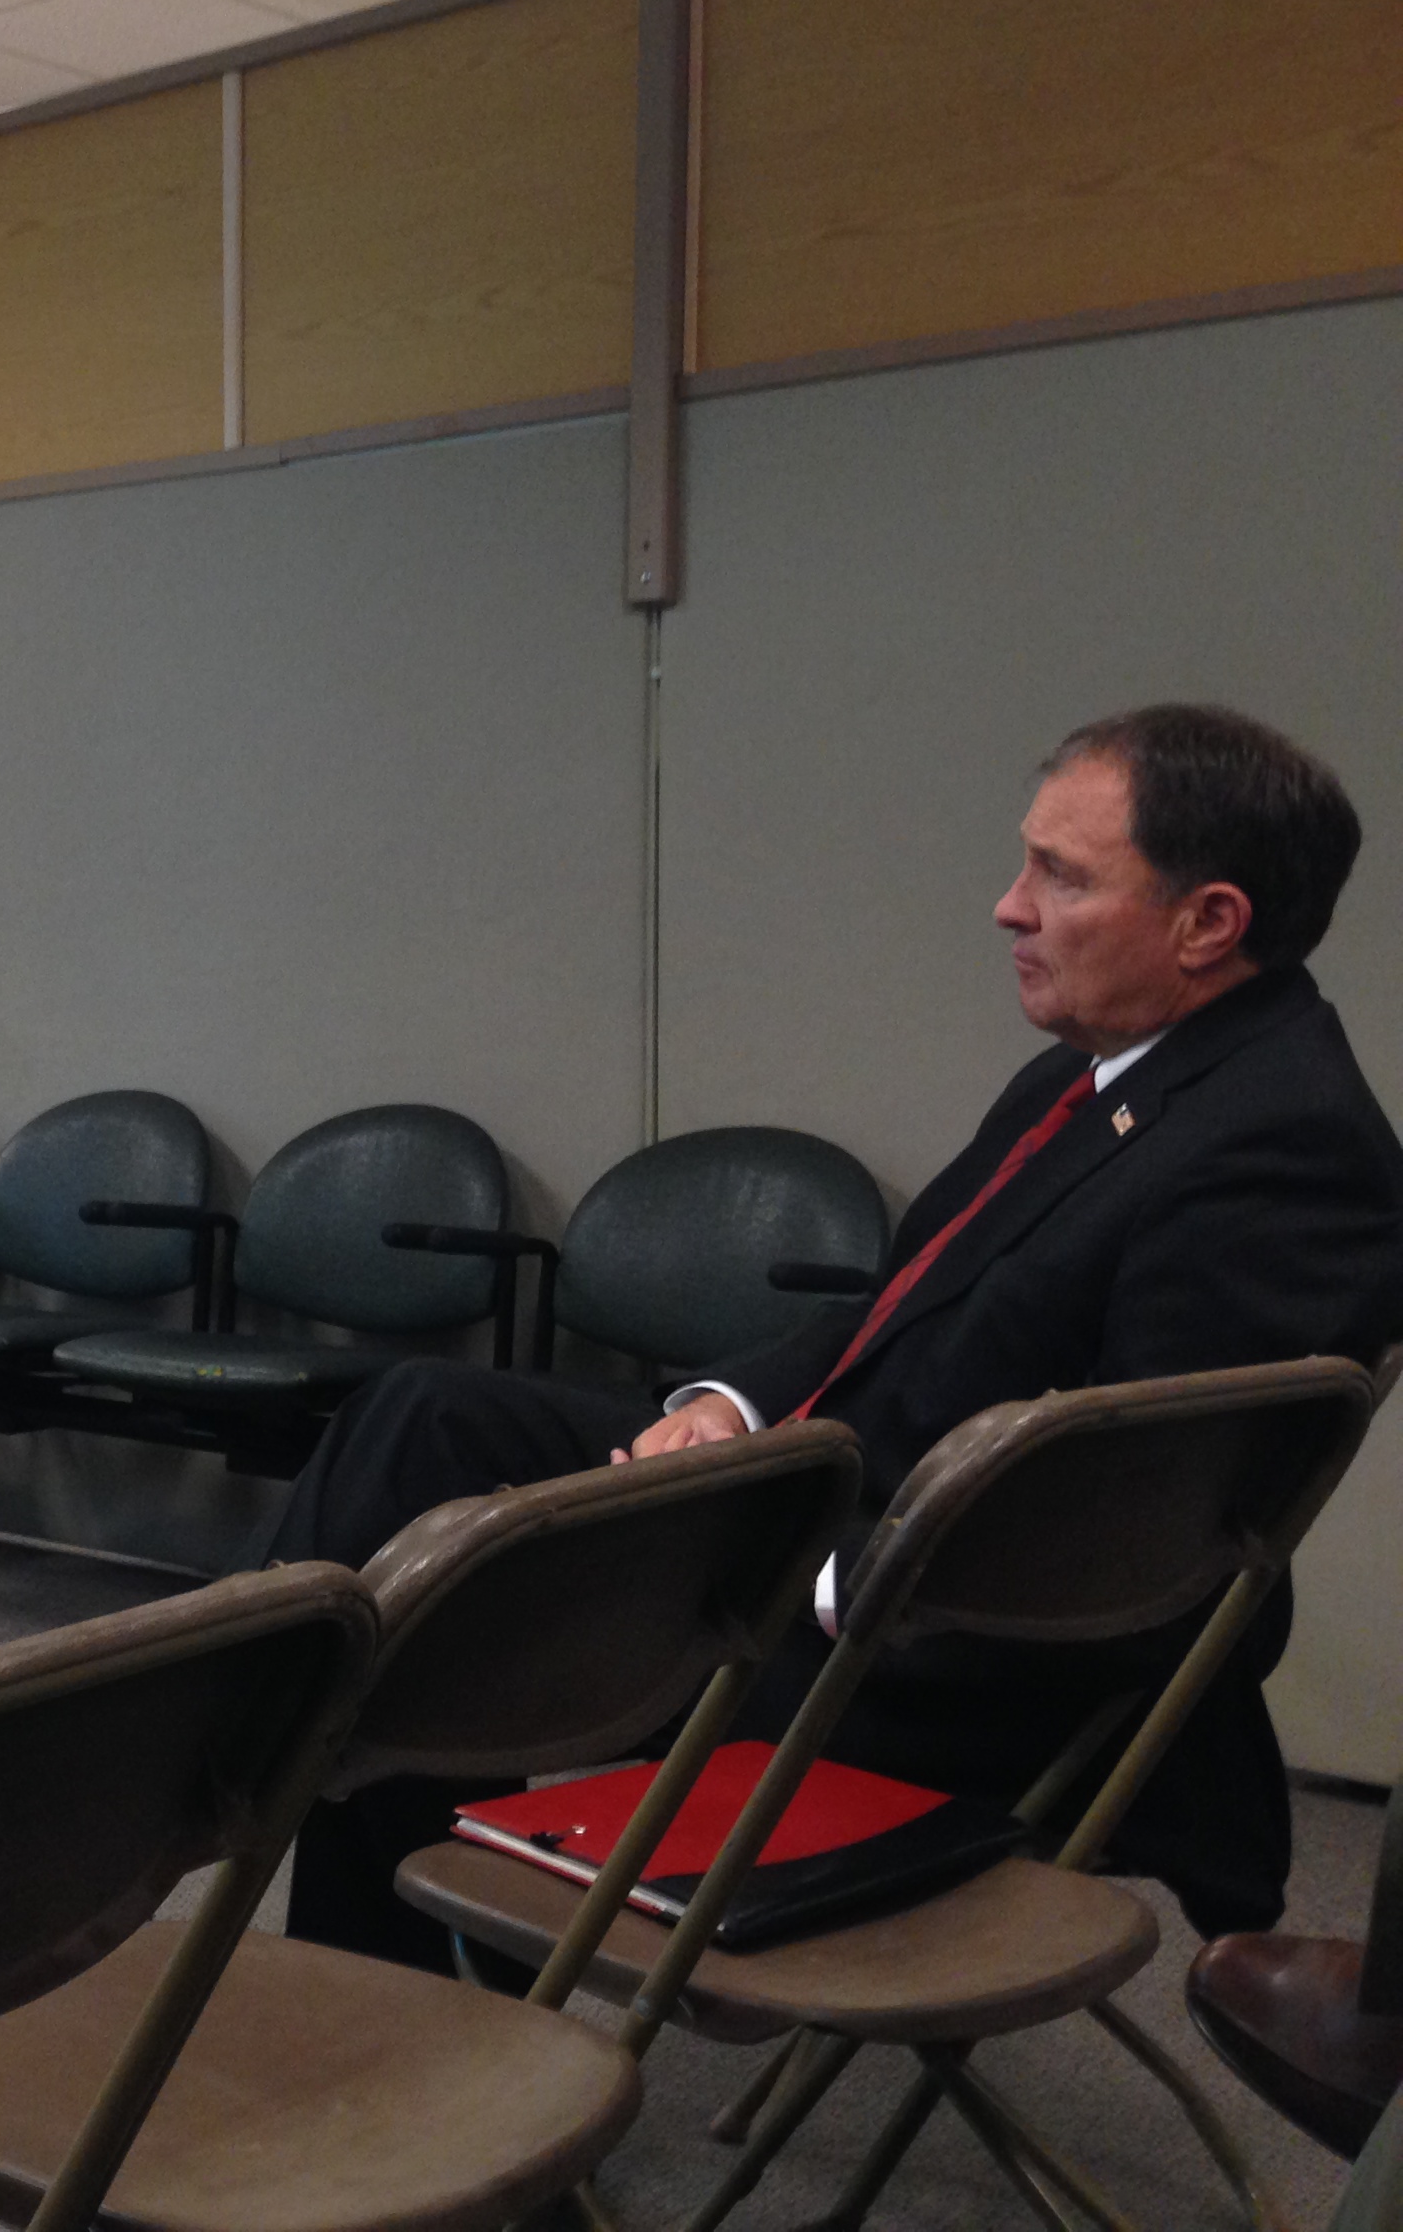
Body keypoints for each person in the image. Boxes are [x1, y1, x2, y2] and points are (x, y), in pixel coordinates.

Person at [264, 703, 1403, 1956]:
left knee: (435, 1634)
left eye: (1060, 875)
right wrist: (729, 1412)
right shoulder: (1098, 1077)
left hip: (950, 1656)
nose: (1008, 906)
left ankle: (308, 1907)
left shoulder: (1286, 1146)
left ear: (1209, 922)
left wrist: (787, 1574)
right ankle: (243, 1746)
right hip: (834, 1515)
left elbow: (1129, 1530)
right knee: (429, 1422)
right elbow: (902, 1311)